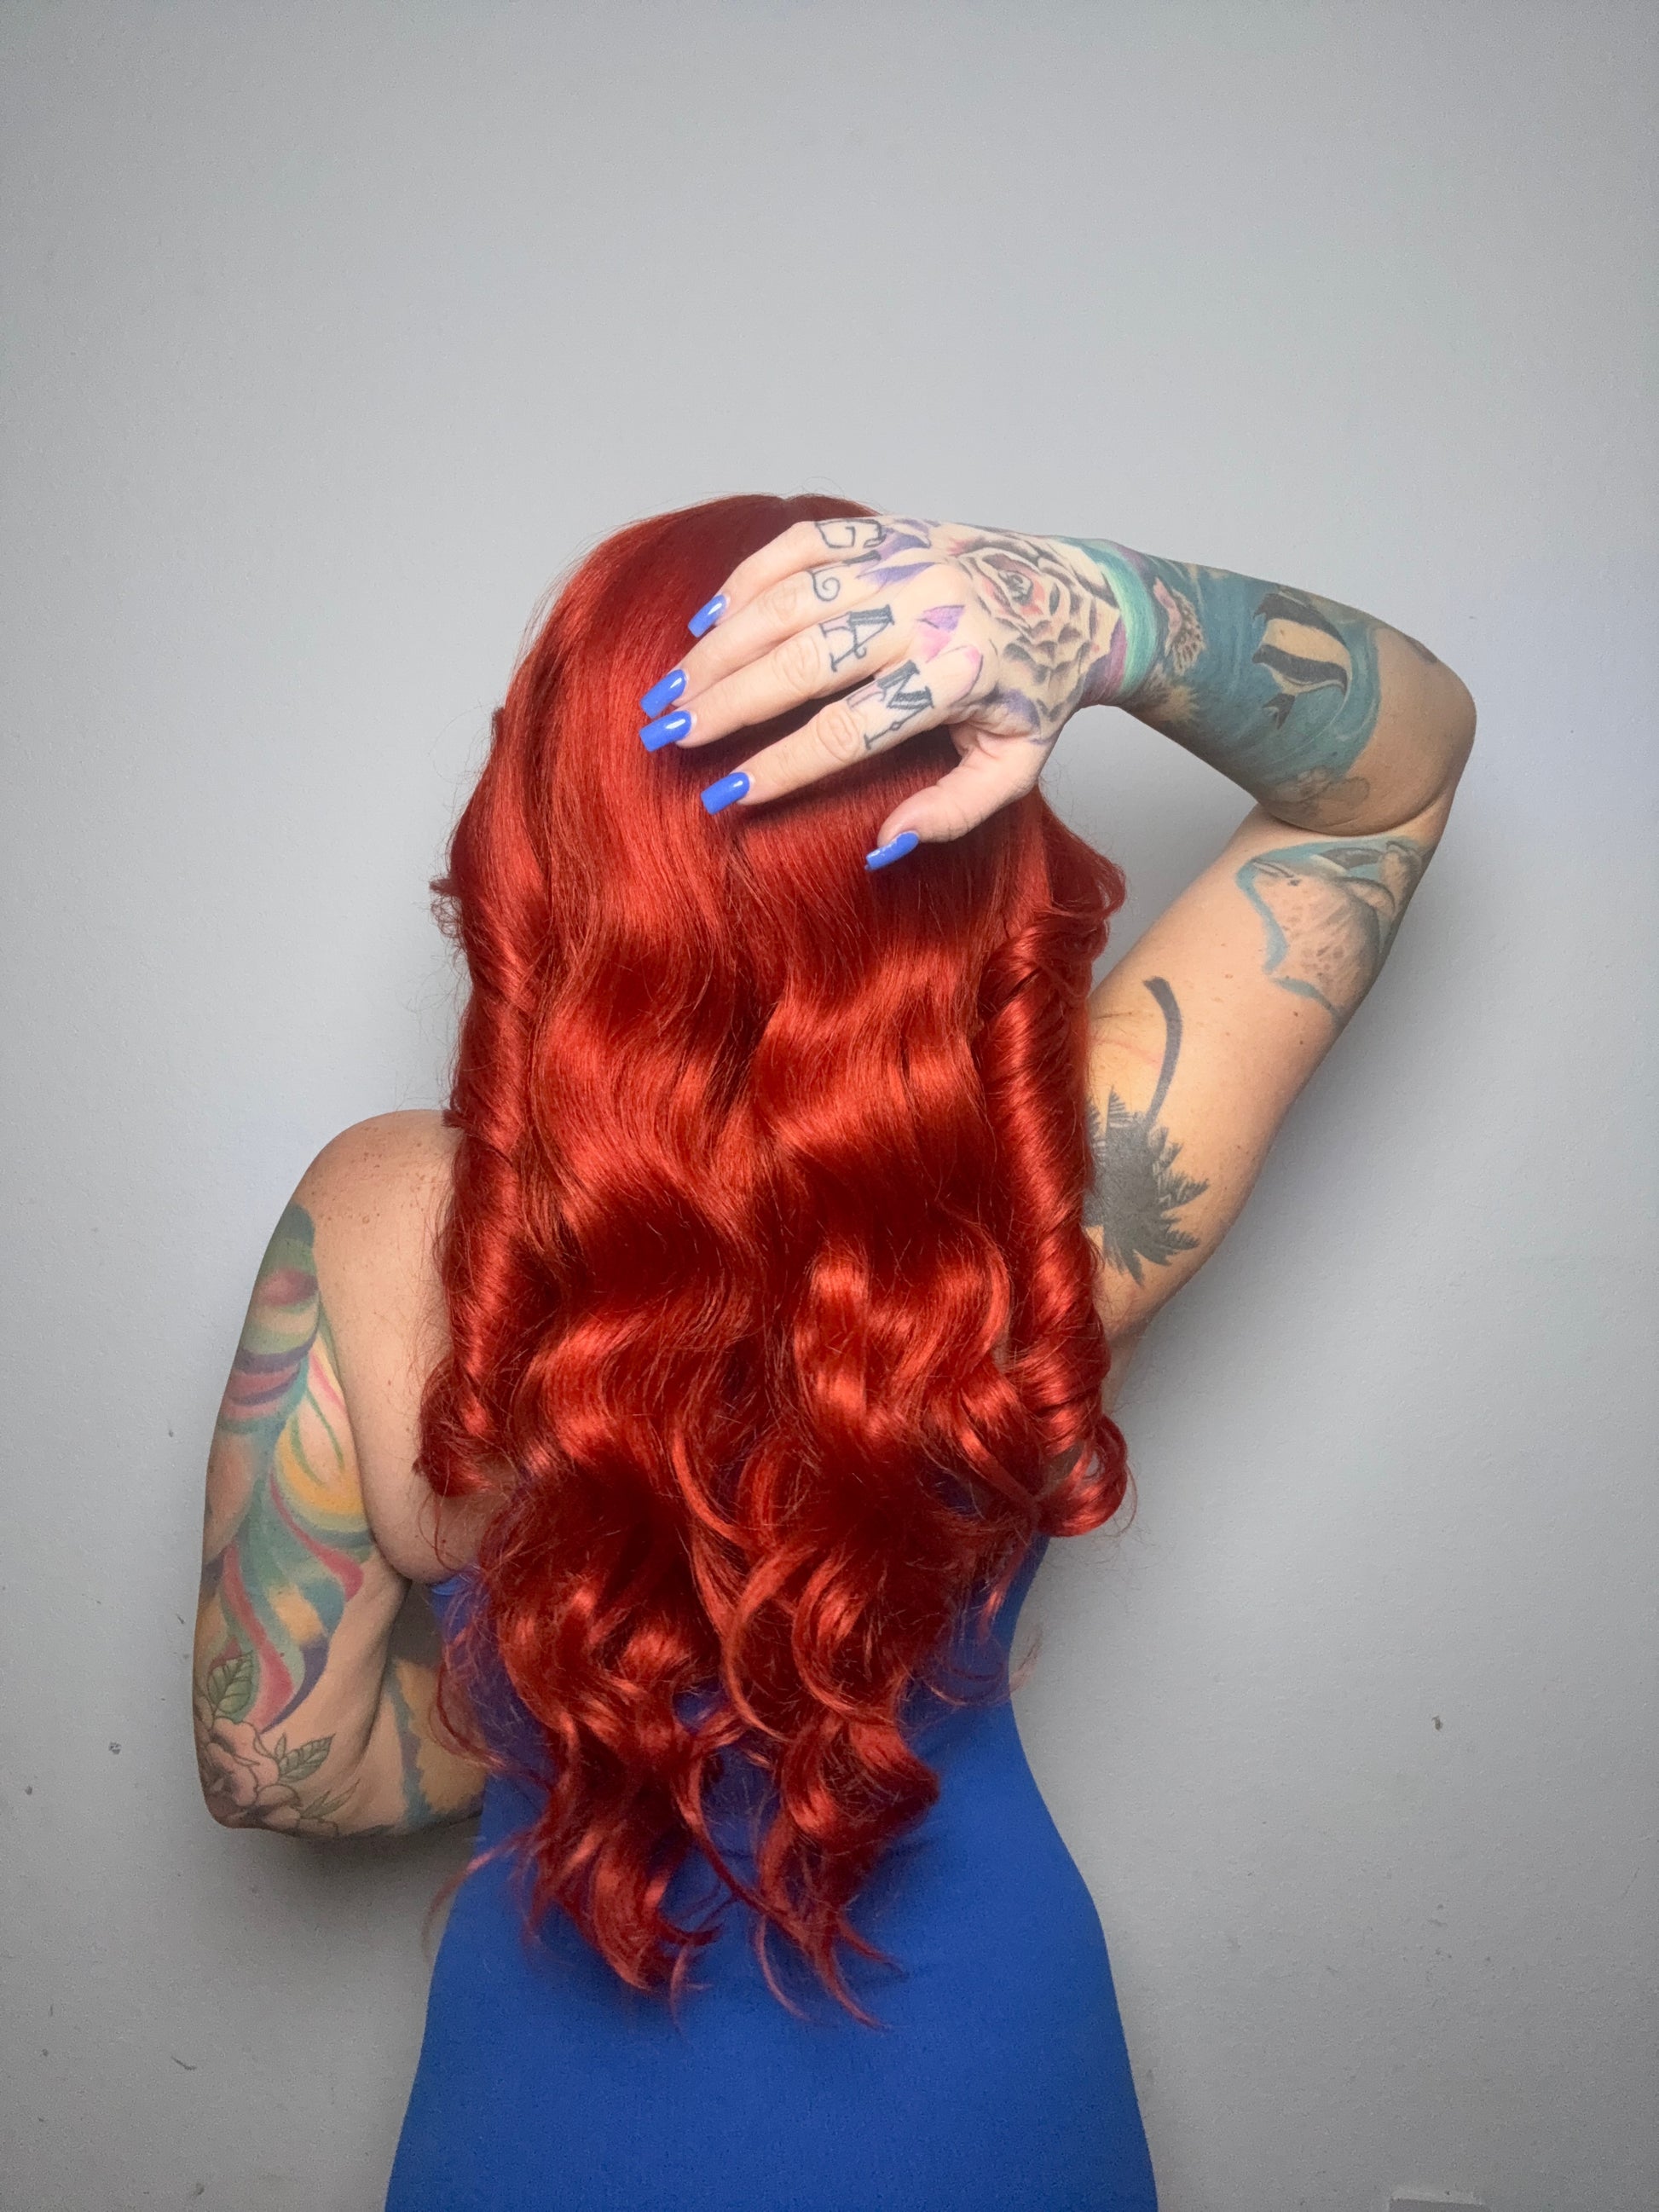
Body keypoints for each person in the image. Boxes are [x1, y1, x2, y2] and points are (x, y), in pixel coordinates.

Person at [190, 494, 1476, 2210]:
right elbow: (1390, 771)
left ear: (541, 828)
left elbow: (278, 1762)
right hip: (975, 2092)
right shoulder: (1049, 1210)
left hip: (553, 2119)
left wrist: (581, 1701)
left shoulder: (377, 1216)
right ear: (957, 830)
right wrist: (1084, 608)